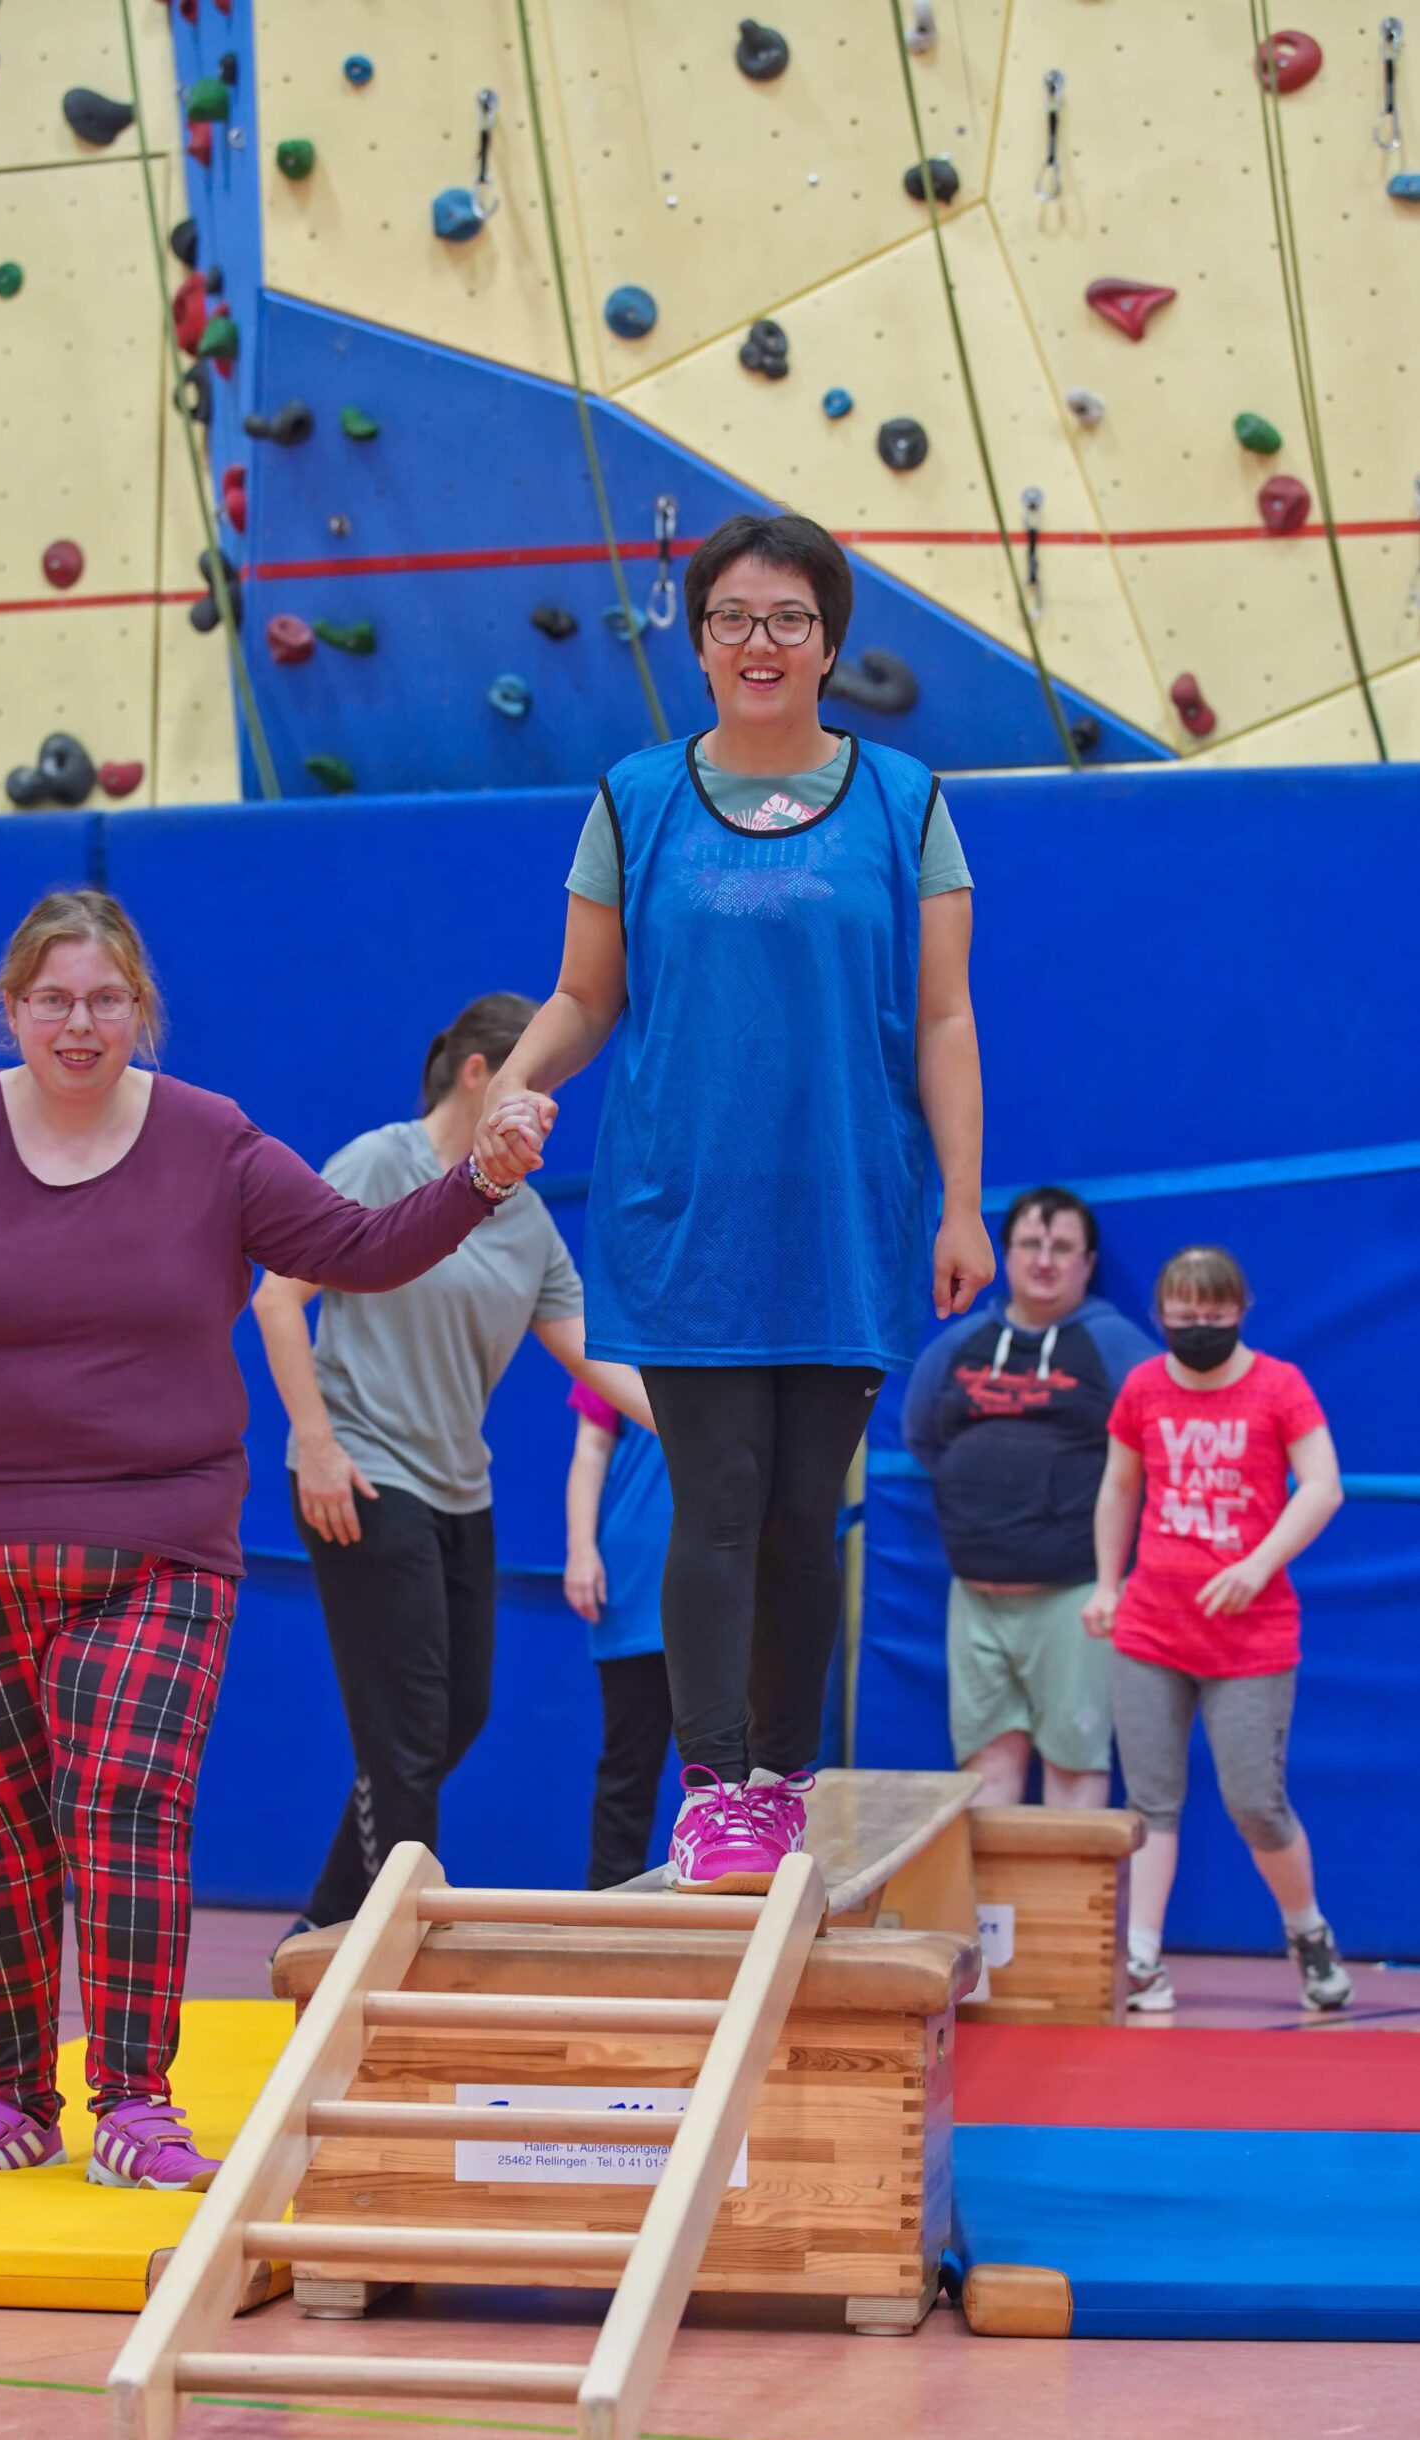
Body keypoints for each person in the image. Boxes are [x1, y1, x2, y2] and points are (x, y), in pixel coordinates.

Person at [0, 891, 525, 2188]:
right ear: (12, 1011)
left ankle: (134, 2099)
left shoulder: (211, 1142)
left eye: (105, 1000)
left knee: (125, 1797)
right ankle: (9, 2097)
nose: (79, 1022)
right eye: (53, 1000)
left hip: (154, 1543)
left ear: (142, 1015)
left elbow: (355, 1246)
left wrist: (476, 1182)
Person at [474, 509, 995, 1893]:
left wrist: (958, 1201)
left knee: (793, 1516)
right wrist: (513, 1087)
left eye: (786, 620)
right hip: (680, 1209)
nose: (758, 643)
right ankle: (714, 1794)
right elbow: (585, 995)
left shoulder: (903, 802)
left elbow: (941, 1020)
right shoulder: (633, 798)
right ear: (696, 643)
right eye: (730, 620)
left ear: (827, 641)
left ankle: (778, 1776)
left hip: (842, 1210)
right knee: (711, 1492)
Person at [253, 994, 651, 1930]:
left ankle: (326, 1920)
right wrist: (315, 1443)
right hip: (360, 1471)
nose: (548, 1107)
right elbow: (278, 1300)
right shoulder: (378, 1162)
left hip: (455, 1486)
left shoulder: (525, 1219)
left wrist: (688, 1421)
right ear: (480, 1074)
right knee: (405, 1725)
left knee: (455, 1711)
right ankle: (397, 1937)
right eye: (534, 1083)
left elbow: (589, 1342)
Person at [1083, 1245, 1352, 2014]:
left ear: (1239, 1311)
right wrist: (1107, 1585)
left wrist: (1256, 1564)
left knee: (1253, 1803)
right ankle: (1141, 1958)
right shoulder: (1141, 1387)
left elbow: (1322, 1486)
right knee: (1150, 1803)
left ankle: (1306, 1932)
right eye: (1183, 1314)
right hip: (1149, 1631)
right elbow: (1118, 1487)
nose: (1197, 1326)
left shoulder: (1279, 1387)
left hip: (1250, 1639)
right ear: (1160, 1315)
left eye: (1212, 1314)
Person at [902, 1186, 1152, 1807]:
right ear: (1004, 1254)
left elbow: (1157, 1443)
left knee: (1075, 1762)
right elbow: (921, 1435)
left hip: (1073, 1599)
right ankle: (992, 1912)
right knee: (984, 1773)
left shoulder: (1116, 1346)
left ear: (1087, 1263)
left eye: (1062, 1246)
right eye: (1031, 1244)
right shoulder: (957, 1347)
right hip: (975, 1598)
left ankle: (1064, 1911)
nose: (1045, 1259)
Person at [563, 1377, 676, 1887]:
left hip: (735, 1580)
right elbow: (590, 1446)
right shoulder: (617, 1340)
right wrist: (581, 1549)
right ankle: (608, 1912)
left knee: (740, 1770)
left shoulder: (748, 1327)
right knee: (630, 1764)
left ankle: (742, 1906)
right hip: (637, 1581)